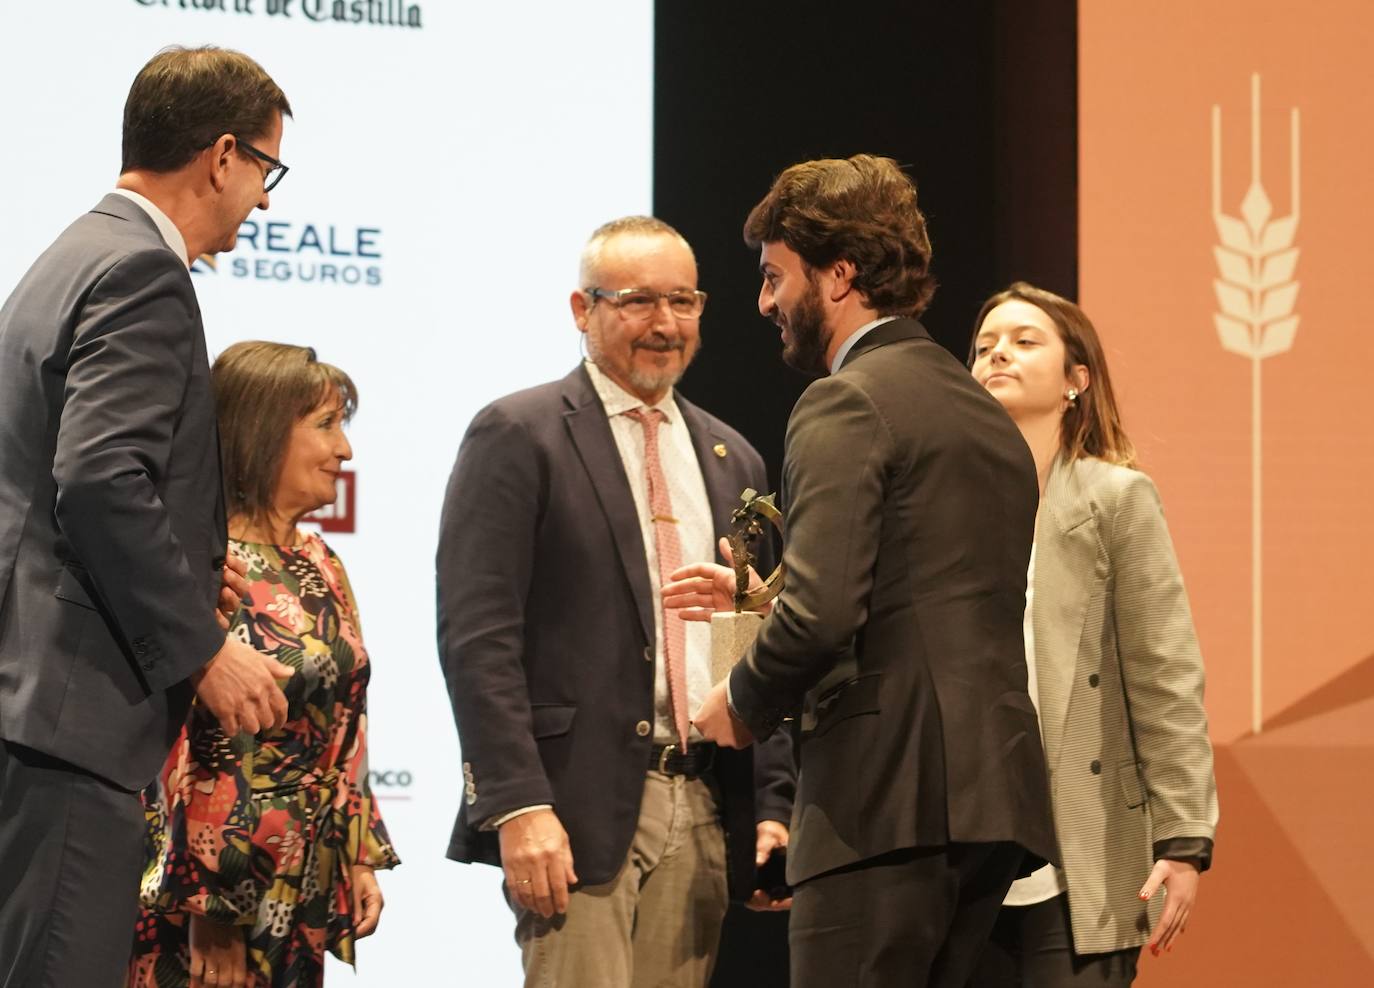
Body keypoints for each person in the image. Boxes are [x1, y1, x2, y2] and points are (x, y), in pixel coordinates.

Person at [669, 155, 1057, 987]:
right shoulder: (987, 420)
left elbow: (822, 614)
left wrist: (737, 701)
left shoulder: (845, 399)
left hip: (882, 802)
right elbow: (917, 590)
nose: (767, 302)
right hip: (993, 807)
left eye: (777, 277)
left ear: (838, 275)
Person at [0, 46, 295, 987]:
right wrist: (201, 646)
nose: (261, 199)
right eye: (265, 170)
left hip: (31, 704)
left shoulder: (68, 256)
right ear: (221, 156)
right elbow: (96, 480)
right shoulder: (142, 273)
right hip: (71, 717)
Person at [437, 216, 795, 987]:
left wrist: (773, 800)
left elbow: (754, 642)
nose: (664, 325)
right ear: (582, 308)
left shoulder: (734, 456)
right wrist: (517, 805)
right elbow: (477, 637)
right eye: (636, 301)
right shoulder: (518, 433)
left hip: (701, 801)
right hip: (572, 806)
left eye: (683, 301)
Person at [966, 283, 1218, 986]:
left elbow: (1164, 672)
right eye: (984, 348)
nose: (998, 357)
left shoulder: (1115, 498)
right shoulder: (947, 508)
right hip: (968, 842)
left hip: (1080, 840)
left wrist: (1185, 838)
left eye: (1023, 341)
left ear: (1077, 380)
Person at [129, 342, 399, 988]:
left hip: (297, 884)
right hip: (209, 896)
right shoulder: (198, 564)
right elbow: (184, 751)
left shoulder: (322, 562)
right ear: (262, 432)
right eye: (327, 426)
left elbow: (347, 727)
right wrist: (211, 909)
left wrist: (356, 854)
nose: (346, 451)